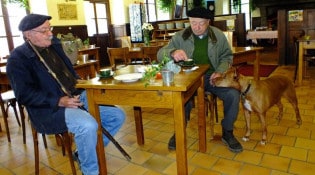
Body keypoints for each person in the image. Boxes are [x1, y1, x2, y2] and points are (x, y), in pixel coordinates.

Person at [7, 14, 125, 175]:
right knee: (88, 125)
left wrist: (83, 85)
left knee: (117, 115)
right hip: (49, 109)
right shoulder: (18, 59)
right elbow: (24, 95)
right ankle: (89, 171)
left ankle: (81, 153)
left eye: (50, 28)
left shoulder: (54, 45)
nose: (50, 33)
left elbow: (68, 72)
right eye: (44, 31)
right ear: (28, 34)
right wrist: (59, 101)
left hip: (75, 96)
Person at [157, 7, 243, 153]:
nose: (196, 27)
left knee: (233, 95)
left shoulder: (218, 35)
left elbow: (227, 57)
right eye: (193, 23)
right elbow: (160, 54)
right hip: (188, 78)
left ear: (208, 22)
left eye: (201, 24)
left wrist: (220, 71)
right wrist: (173, 52)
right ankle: (179, 131)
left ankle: (227, 131)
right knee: (181, 97)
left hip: (211, 78)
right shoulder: (180, 36)